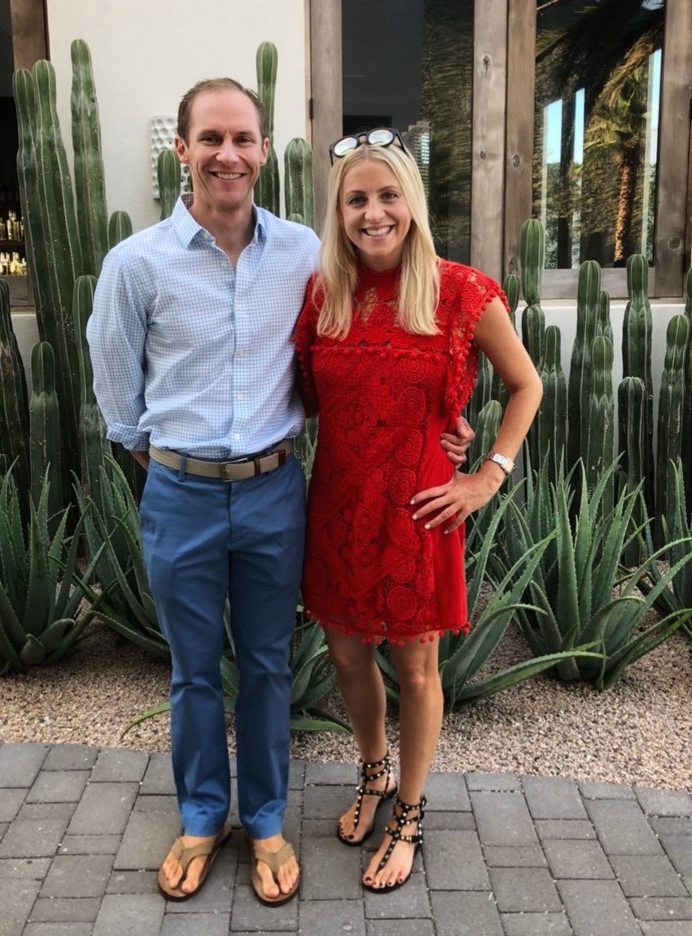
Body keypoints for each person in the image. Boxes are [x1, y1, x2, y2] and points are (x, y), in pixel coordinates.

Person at [87, 82, 472, 906]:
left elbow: (354, 356)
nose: (229, 154)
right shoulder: (137, 263)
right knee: (193, 671)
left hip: (273, 492)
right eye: (211, 138)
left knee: (265, 665)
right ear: (183, 149)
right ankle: (201, 818)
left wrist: (443, 423)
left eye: (244, 139)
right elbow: (119, 403)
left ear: (265, 152)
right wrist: (177, 475)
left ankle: (263, 821)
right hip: (181, 492)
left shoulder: (306, 252)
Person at [294, 128, 543, 893]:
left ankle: (407, 809)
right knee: (344, 654)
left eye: (387, 195)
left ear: (412, 202)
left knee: (415, 662)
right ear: (338, 212)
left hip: (419, 506)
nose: (373, 213)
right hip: (337, 499)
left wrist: (487, 474)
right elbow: (305, 397)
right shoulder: (324, 293)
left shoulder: (462, 290)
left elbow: (526, 385)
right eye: (357, 199)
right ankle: (370, 772)